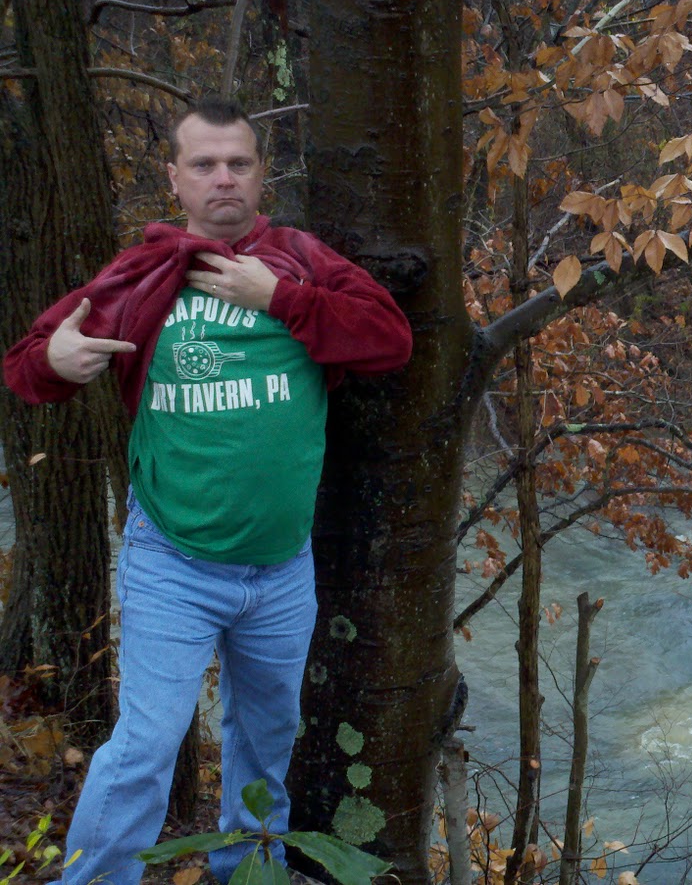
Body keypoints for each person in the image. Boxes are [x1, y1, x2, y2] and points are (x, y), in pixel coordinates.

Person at [3, 95, 412, 885]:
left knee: (267, 739)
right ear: (176, 180)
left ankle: (245, 875)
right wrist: (54, 361)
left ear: (261, 174)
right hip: (174, 562)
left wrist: (279, 300)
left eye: (238, 163)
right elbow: (28, 366)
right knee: (147, 747)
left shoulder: (297, 260)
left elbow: (388, 339)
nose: (222, 178)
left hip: (282, 567)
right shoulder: (143, 275)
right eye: (203, 164)